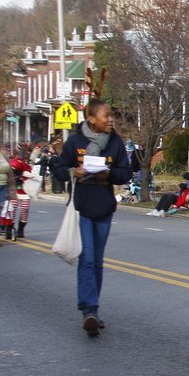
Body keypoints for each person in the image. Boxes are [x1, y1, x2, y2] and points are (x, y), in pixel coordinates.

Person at [52, 100, 133, 337]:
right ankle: (89, 310)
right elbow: (58, 169)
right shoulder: (75, 142)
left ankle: (93, 311)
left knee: (97, 261)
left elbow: (126, 173)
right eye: (106, 116)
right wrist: (73, 172)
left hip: (104, 208)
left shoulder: (115, 142)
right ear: (91, 118)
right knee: (86, 258)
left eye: (111, 116)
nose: (111, 120)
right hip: (81, 207)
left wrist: (109, 174)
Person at [8, 147, 34, 238]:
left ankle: (21, 229)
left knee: (25, 209)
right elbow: (12, 169)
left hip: (25, 190)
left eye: (23, 153)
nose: (21, 155)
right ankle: (9, 228)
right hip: (14, 189)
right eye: (19, 153)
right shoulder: (12, 162)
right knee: (13, 208)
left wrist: (24, 173)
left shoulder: (28, 165)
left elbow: (30, 174)